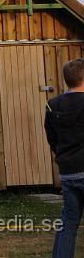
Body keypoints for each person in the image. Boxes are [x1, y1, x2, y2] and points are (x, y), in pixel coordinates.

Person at [45, 58, 84, 257]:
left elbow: (51, 137)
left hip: (68, 172)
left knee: (69, 222)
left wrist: (61, 154)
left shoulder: (52, 104)